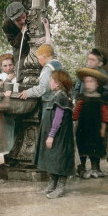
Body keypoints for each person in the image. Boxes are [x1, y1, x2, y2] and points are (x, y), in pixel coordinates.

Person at [34, 70, 74, 199]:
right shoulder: (57, 95)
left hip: (59, 136)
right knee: (52, 158)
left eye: (51, 80)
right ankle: (52, 185)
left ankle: (60, 187)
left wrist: (51, 135)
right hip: (56, 135)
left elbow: (58, 119)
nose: (49, 82)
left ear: (58, 83)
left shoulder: (60, 97)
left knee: (60, 159)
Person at [73, 68, 108, 179]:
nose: (88, 84)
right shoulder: (82, 99)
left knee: (95, 147)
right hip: (83, 128)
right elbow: (76, 113)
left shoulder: (100, 100)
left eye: (91, 82)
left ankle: (95, 167)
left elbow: (105, 115)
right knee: (82, 147)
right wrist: (74, 121)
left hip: (96, 129)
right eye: (86, 82)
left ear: (97, 84)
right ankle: (82, 167)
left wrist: (103, 128)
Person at [2, 1, 51, 70]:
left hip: (38, 45)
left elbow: (48, 31)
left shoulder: (34, 16)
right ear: (13, 21)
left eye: (24, 17)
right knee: (20, 67)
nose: (23, 21)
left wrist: (45, 37)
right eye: (18, 20)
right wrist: (22, 32)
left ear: (25, 12)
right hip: (21, 49)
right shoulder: (7, 25)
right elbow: (14, 43)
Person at [19, 44, 62, 112]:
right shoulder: (58, 65)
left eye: (38, 58)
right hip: (58, 101)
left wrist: (28, 92)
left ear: (44, 56)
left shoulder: (48, 68)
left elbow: (43, 87)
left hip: (49, 103)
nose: (38, 61)